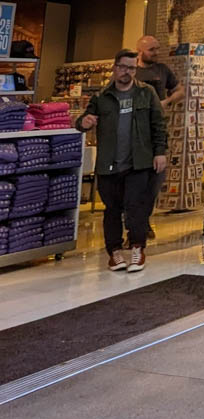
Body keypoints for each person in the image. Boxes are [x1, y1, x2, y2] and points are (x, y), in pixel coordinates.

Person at [78, 50, 167, 275]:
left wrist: (160, 152)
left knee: (136, 207)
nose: (127, 72)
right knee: (112, 210)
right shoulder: (102, 96)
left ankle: (137, 247)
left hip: (138, 162)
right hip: (108, 164)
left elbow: (158, 124)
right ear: (115, 67)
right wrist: (83, 122)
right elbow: (82, 120)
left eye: (132, 68)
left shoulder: (146, 93)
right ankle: (115, 252)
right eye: (123, 67)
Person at [136, 35, 183, 239]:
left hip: (158, 131)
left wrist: (167, 101)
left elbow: (180, 90)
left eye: (157, 48)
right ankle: (136, 225)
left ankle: (143, 221)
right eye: (152, 49)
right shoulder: (132, 71)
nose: (156, 53)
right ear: (140, 51)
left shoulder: (162, 70)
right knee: (136, 182)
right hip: (135, 134)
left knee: (154, 181)